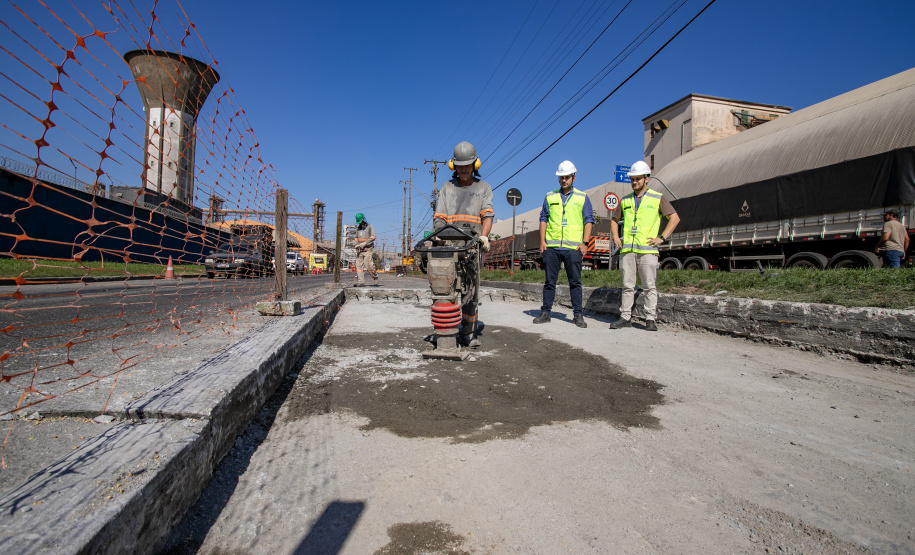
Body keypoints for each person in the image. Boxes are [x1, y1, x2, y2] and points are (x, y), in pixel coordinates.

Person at [433, 141, 494, 346]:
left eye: (467, 164)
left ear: (475, 164)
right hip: (449, 247)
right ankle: (448, 331)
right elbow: (440, 218)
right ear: (453, 165)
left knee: (470, 292)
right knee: (447, 289)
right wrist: (438, 238)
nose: (463, 169)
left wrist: (484, 237)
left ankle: (468, 332)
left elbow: (487, 215)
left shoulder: (483, 188)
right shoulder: (447, 188)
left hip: (472, 247)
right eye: (459, 165)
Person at [609, 160, 680, 332]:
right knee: (627, 285)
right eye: (632, 179)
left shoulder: (657, 198)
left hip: (647, 250)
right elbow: (614, 220)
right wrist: (616, 237)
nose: (634, 182)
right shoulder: (625, 201)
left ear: (647, 178)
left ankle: (650, 319)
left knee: (649, 286)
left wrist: (661, 238)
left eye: (638, 179)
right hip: (628, 251)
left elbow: (674, 218)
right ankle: (625, 317)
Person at [532, 160, 594, 328]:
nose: (563, 180)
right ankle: (545, 313)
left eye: (566, 177)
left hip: (573, 248)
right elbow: (543, 218)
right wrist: (542, 241)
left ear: (573, 178)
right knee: (549, 281)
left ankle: (578, 315)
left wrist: (585, 243)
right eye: (561, 177)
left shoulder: (582, 197)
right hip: (552, 247)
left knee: (575, 282)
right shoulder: (550, 196)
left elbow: (588, 220)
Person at [352, 213, 378, 286]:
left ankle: (375, 277)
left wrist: (365, 243)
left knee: (369, 265)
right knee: (359, 266)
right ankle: (361, 282)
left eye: (361, 221)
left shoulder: (370, 227)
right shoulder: (358, 229)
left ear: (364, 220)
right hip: (360, 251)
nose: (360, 223)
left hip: (368, 249)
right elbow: (356, 238)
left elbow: (373, 237)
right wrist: (355, 244)